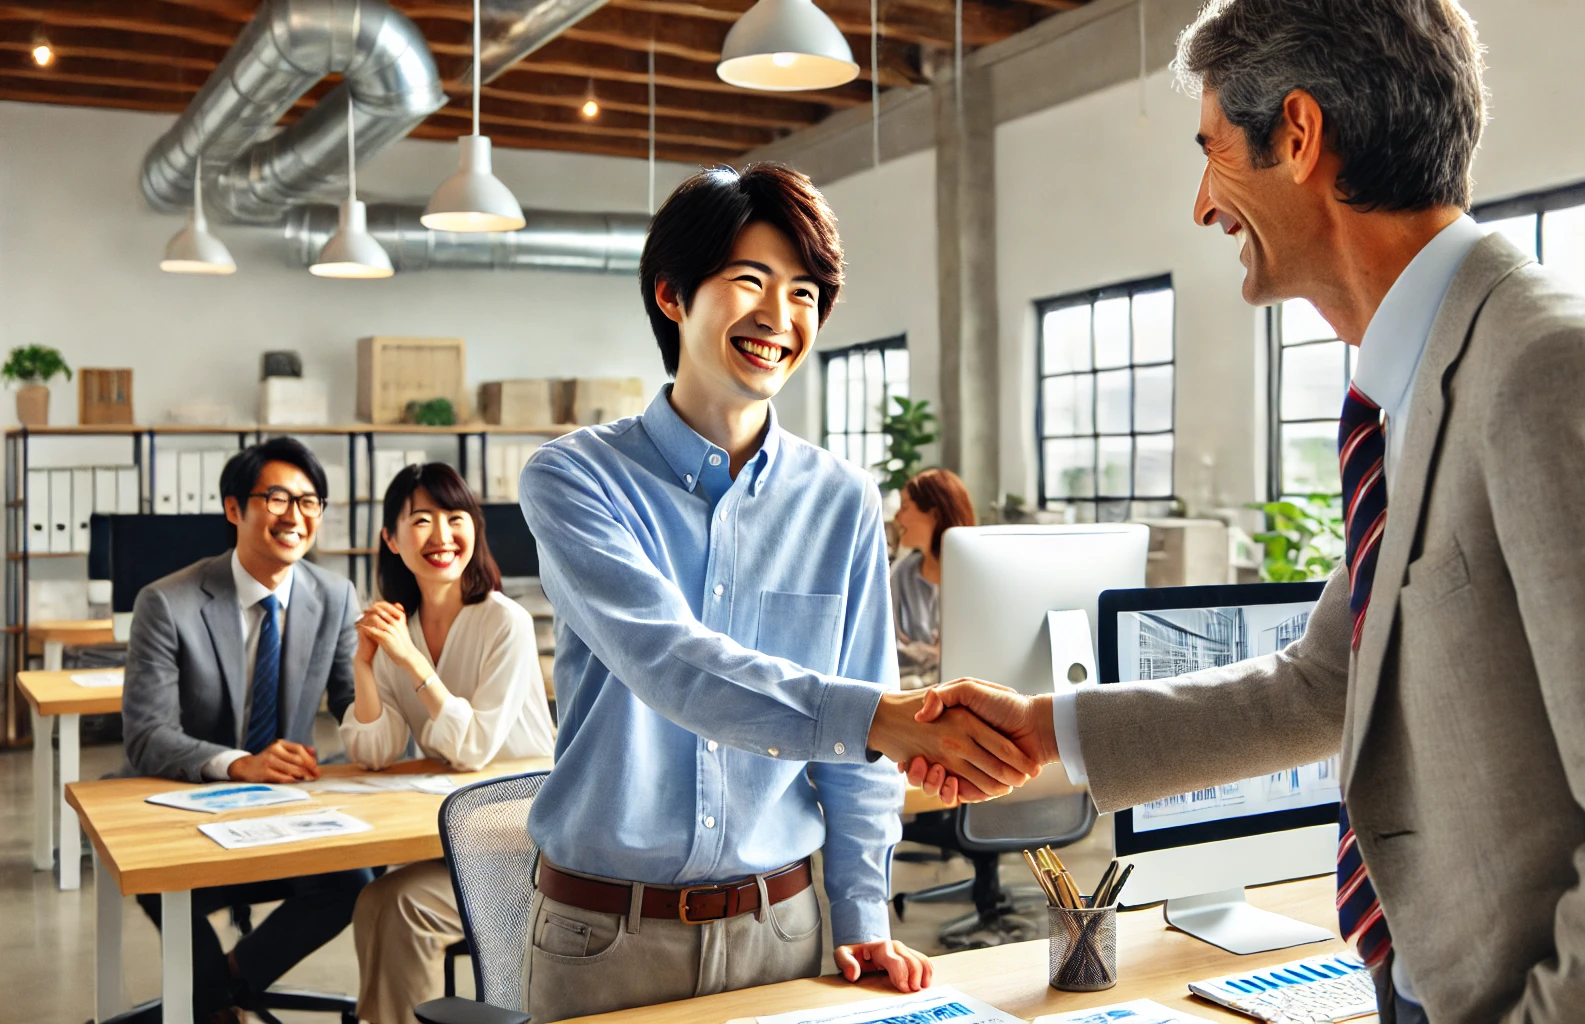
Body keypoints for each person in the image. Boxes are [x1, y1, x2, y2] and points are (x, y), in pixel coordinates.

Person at [904, 1, 1585, 1022]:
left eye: (1211, 151)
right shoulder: (1416, 387)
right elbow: (1325, 680)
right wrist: (1045, 728)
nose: (1203, 205)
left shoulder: (1554, 372)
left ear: (1296, 134)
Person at [515, 163, 1038, 1023]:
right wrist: (878, 716)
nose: (779, 316)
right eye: (749, 281)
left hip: (785, 930)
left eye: (804, 292)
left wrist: (865, 912)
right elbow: (668, 662)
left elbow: (857, 761)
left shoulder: (839, 500)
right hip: (608, 938)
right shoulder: (576, 478)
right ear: (673, 296)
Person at [121, 437, 370, 1024]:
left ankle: (221, 987)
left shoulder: (333, 595)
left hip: (287, 807)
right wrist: (240, 762)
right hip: (187, 803)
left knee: (355, 880)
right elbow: (146, 735)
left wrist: (400, 681)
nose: (296, 517)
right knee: (163, 878)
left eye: (310, 502)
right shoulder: (167, 602)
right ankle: (212, 1004)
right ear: (235, 508)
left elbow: (353, 704)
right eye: (277, 498)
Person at [342, 462, 556, 1024]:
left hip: (526, 839)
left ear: (474, 530)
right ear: (390, 538)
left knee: (400, 904)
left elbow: (475, 747)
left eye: (456, 518)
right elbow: (374, 752)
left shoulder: (504, 622)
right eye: (421, 520)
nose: (441, 535)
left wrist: (411, 663)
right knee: (378, 900)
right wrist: (366, 667)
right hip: (459, 828)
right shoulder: (399, 626)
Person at [889, 468, 976, 686]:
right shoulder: (902, 574)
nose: (897, 517)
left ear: (935, 515)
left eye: (905, 507)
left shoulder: (976, 576)